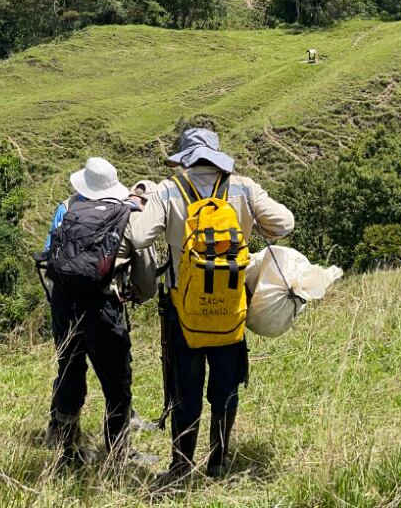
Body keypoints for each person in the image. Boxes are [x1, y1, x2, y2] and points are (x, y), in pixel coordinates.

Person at [130, 127, 294, 482]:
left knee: (184, 391)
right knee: (225, 388)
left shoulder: (169, 189)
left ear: (185, 156)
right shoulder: (243, 187)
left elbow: (140, 236)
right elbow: (284, 222)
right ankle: (218, 462)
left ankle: (180, 467)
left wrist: (147, 203)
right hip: (231, 307)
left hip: (183, 309)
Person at [37, 156, 150, 467]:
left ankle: (66, 449)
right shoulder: (124, 214)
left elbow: (49, 256)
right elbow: (145, 276)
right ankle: (118, 454)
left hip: (64, 304)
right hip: (103, 306)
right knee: (117, 382)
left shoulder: (66, 209)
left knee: (70, 372)